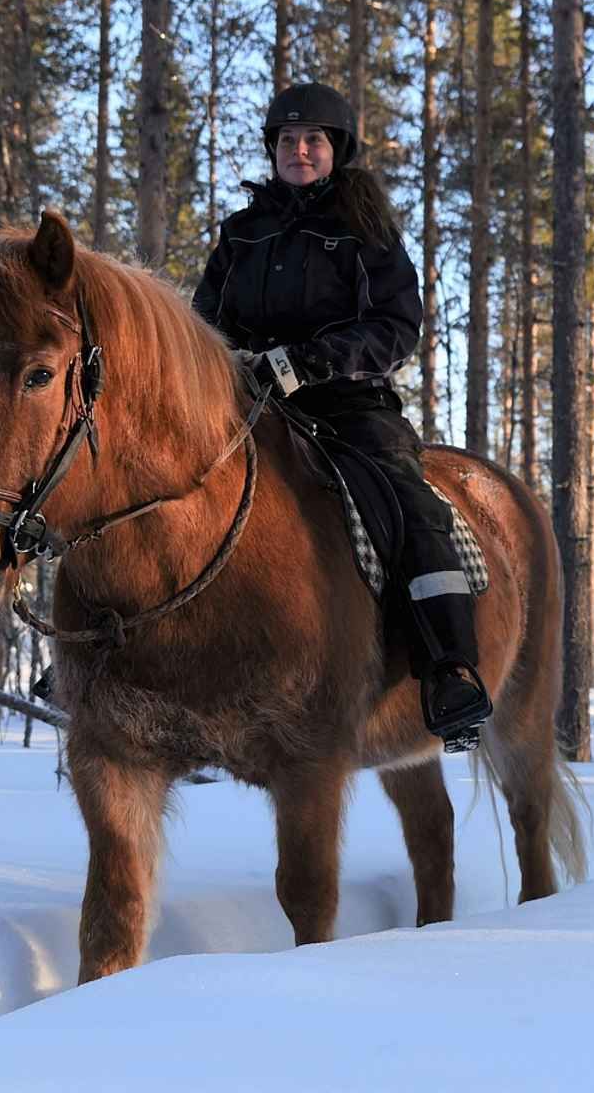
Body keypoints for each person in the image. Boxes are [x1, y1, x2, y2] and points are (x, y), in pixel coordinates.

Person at [191, 81, 492, 750]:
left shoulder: (366, 229)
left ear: (337, 150)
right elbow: (203, 322)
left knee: (409, 503)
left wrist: (308, 361)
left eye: (313, 140)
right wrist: (224, 361)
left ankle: (449, 669)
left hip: (348, 406)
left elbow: (396, 325)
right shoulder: (241, 234)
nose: (299, 150)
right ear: (272, 149)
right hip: (245, 403)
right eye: (288, 140)